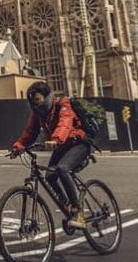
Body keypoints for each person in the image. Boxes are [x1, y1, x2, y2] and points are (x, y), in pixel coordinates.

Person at [10, 82, 89, 228]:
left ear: (46, 96)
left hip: (78, 143)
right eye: (33, 100)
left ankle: (78, 212)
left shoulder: (62, 103)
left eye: (38, 99)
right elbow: (30, 132)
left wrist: (56, 139)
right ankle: (68, 207)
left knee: (62, 168)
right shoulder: (38, 113)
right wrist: (18, 146)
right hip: (61, 146)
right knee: (50, 177)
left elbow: (65, 123)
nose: (36, 102)